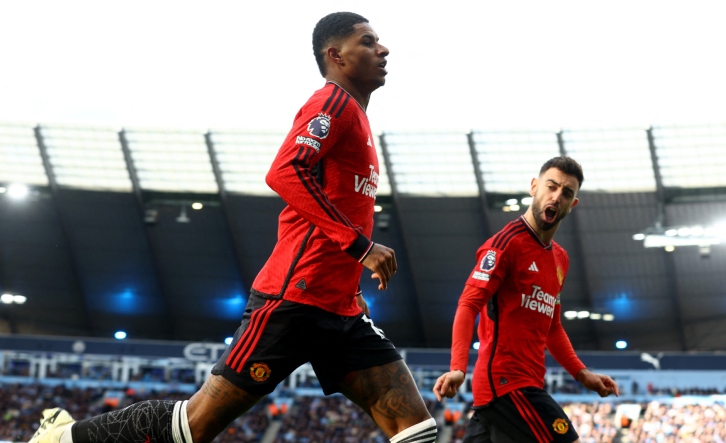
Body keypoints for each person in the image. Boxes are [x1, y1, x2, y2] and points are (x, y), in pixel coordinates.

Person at [30, 12, 436, 443]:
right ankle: (64, 437)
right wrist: (359, 246)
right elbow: (285, 172)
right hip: (290, 301)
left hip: (341, 309)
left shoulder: (356, 116)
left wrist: (350, 281)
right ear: (335, 55)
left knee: (416, 429)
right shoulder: (331, 104)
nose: (383, 49)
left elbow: (334, 203)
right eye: (369, 41)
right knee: (194, 426)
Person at [433, 157, 619, 443]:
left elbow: (552, 328)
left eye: (567, 193)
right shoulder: (505, 245)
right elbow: (468, 305)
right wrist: (458, 367)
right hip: (508, 384)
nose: (557, 196)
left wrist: (583, 375)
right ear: (534, 187)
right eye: (551, 187)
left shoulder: (560, 259)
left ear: (573, 204)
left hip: (508, 391)